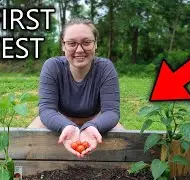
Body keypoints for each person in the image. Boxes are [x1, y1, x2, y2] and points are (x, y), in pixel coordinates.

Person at [28, 18, 124, 158]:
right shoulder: (52, 66)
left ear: (95, 44)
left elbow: (111, 112)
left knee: (124, 147)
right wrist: (67, 126)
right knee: (27, 142)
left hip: (96, 120)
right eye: (71, 43)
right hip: (59, 119)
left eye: (86, 42)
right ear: (63, 45)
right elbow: (47, 110)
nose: (79, 50)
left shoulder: (105, 68)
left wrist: (92, 126)